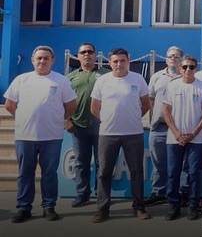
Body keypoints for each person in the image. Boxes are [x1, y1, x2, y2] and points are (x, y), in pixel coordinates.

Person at [4, 46, 77, 223]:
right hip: (25, 136)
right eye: (39, 58)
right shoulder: (22, 80)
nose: (42, 61)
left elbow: (71, 105)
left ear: (53, 60)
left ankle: (49, 207)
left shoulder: (61, 81)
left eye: (46, 58)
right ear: (32, 60)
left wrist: (59, 119)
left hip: (52, 136)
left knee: (49, 173)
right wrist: (24, 118)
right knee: (25, 173)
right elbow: (9, 104)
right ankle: (23, 208)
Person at [89, 48, 153, 223]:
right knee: (104, 172)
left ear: (128, 61)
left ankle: (139, 207)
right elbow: (94, 107)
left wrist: (132, 118)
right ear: (110, 63)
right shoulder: (102, 81)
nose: (119, 64)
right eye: (115, 61)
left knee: (137, 171)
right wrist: (109, 119)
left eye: (122, 61)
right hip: (108, 134)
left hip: (134, 134)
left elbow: (146, 104)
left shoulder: (138, 79)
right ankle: (102, 209)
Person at [162, 55, 202, 221]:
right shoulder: (172, 86)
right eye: (185, 67)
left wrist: (194, 133)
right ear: (180, 68)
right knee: (173, 173)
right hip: (174, 138)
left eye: (192, 67)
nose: (188, 70)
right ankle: (173, 205)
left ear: (196, 68)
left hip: (196, 139)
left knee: (193, 173)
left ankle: (193, 205)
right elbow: (166, 112)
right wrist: (177, 133)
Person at [65, 42, 108, 207]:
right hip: (78, 126)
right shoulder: (70, 77)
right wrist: (66, 120)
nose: (87, 55)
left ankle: (100, 194)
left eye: (90, 51)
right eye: (83, 52)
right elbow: (63, 101)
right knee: (81, 162)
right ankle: (82, 194)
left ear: (95, 54)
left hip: (101, 126)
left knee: (101, 162)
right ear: (78, 55)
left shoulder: (106, 75)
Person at [144, 45, 183, 207]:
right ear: (166, 59)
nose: (173, 58)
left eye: (177, 56)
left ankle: (178, 193)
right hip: (159, 126)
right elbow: (151, 99)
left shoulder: (186, 76)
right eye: (170, 56)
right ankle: (158, 192)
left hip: (178, 127)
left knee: (179, 163)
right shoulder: (157, 77)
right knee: (159, 162)